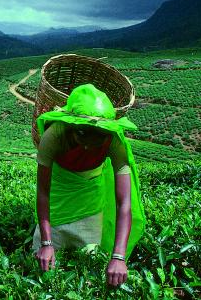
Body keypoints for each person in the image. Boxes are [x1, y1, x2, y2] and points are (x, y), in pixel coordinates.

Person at [33, 84, 146, 287]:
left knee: (89, 272)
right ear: (71, 127)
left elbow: (124, 202)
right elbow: (43, 192)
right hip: (58, 201)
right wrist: (46, 243)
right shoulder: (54, 136)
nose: (86, 147)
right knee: (42, 271)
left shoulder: (114, 141)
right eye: (82, 136)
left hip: (90, 202)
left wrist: (118, 257)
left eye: (96, 141)